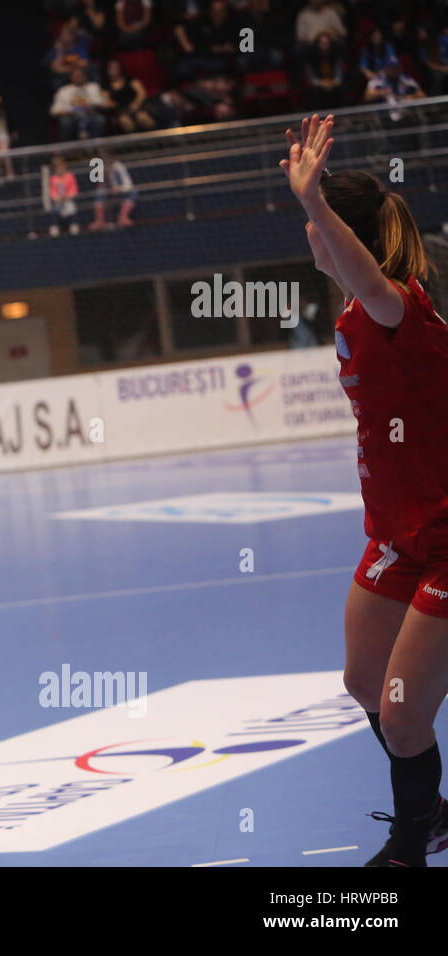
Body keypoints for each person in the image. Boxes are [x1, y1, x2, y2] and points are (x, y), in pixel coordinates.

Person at [280, 113, 448, 866]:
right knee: (363, 682)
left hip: (446, 539)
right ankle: (429, 803)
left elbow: (371, 278)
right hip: (393, 536)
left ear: (340, 236)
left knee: (406, 717)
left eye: (316, 230)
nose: (309, 242)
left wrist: (314, 201)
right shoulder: (356, 313)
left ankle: (412, 846)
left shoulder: (397, 306)